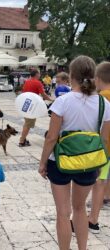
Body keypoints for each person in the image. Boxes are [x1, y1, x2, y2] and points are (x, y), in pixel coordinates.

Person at [39, 56, 110, 250]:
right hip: (88, 163)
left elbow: (52, 137)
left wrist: (43, 162)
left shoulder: (63, 101)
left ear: (72, 76)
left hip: (60, 162)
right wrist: (101, 163)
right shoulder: (104, 104)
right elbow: (104, 139)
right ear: (93, 76)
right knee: (80, 209)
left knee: (63, 212)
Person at [88, 62, 110, 233]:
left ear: (97, 78)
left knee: (97, 182)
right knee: (103, 180)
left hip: (103, 148)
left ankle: (93, 219)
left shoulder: (102, 97)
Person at [19, 69, 53, 147]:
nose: (40, 74)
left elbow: (24, 92)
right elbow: (43, 95)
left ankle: (23, 139)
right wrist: (51, 99)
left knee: (26, 123)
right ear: (37, 74)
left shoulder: (27, 81)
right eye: (39, 73)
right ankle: (21, 141)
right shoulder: (38, 83)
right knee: (28, 124)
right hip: (32, 107)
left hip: (26, 104)